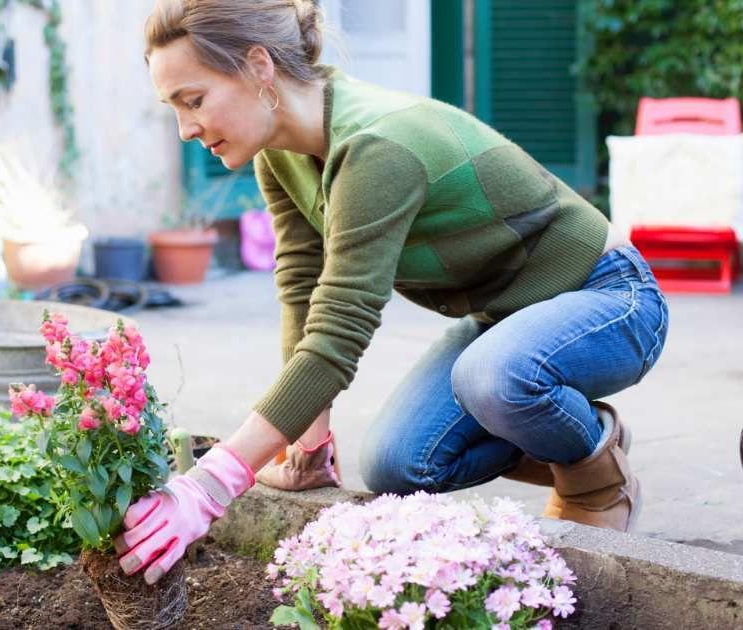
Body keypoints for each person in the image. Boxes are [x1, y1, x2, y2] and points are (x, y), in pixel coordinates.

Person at [116, 0, 669, 585]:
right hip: (505, 323)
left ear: (258, 66)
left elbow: (340, 328)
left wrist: (210, 485)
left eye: (193, 100)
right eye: (173, 108)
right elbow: (303, 288)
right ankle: (579, 430)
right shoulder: (279, 153)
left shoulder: (377, 145)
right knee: (399, 465)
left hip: (611, 297)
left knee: (492, 378)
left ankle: (596, 476)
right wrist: (310, 441)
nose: (186, 129)